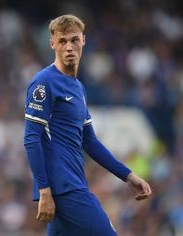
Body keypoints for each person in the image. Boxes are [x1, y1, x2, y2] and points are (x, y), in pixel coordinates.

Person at [24, 14, 152, 236]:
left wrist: (127, 175)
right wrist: (44, 190)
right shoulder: (44, 82)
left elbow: (90, 141)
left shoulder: (78, 88)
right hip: (65, 190)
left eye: (74, 40)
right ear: (52, 43)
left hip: (70, 186)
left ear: (84, 40)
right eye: (62, 41)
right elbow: (31, 138)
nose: (69, 47)